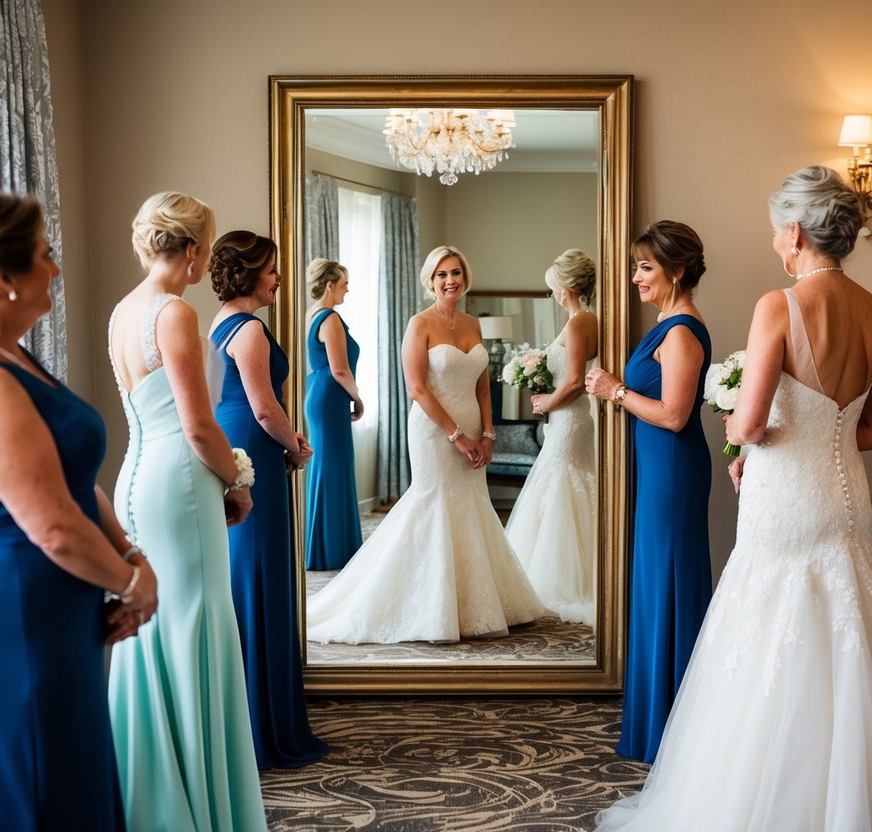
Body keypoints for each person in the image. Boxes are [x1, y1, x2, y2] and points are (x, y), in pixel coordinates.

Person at [594, 167, 872, 831]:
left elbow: (751, 424)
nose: (773, 240)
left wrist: (738, 430)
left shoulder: (778, 306)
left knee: (769, 636)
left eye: (774, 230)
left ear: (795, 233)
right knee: (850, 630)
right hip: (846, 496)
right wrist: (821, 435)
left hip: (785, 501)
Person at [0, 183, 158, 830]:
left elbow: (71, 484)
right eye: (45, 254)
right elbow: (52, 527)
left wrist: (129, 553)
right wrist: (133, 585)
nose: (56, 268)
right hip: (14, 621)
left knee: (66, 785)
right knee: (39, 796)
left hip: (50, 611)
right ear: (5, 279)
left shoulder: (3, 353)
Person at [106, 195, 267, 830]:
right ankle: (198, 803)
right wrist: (239, 482)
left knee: (154, 629)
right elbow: (199, 428)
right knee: (194, 624)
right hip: (180, 481)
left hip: (137, 477)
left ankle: (152, 797)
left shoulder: (123, 310)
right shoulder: (173, 312)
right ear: (195, 250)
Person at [305, 245, 544, 644]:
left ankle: (473, 604)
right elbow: (417, 388)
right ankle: (428, 605)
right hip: (434, 431)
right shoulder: (419, 323)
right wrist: (457, 434)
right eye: (441, 275)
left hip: (474, 429)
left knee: (471, 507)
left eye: (456, 273)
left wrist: (488, 434)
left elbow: (483, 386)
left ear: (465, 277)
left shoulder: (472, 324)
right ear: (430, 281)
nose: (451, 280)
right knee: (433, 505)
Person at [585, 222, 712, 763]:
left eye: (645, 267)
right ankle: (659, 719)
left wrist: (614, 390)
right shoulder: (666, 325)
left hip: (674, 471)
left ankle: (674, 725)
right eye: (637, 267)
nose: (636, 277)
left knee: (669, 584)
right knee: (658, 583)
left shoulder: (681, 331)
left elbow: (676, 415)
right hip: (660, 469)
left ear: (676, 271)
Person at [209, 231, 327, 770]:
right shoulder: (251, 328)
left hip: (237, 444)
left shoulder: (219, 323)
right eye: (273, 269)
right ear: (251, 272)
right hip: (254, 447)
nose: (279, 278)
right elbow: (263, 406)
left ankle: (247, 716)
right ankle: (264, 724)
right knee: (260, 575)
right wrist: (295, 446)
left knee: (246, 574)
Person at [504, 249, 599, 626]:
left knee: (561, 484)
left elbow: (574, 382)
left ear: (567, 287)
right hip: (570, 419)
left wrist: (545, 402)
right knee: (567, 485)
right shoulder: (589, 319)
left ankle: (561, 581)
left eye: (555, 287)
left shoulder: (578, 324)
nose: (555, 294)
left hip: (568, 419)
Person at [303, 257, 364, 571]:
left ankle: (324, 546)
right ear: (329, 285)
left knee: (327, 467)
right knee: (334, 467)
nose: (347, 289)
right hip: (330, 396)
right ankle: (332, 550)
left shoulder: (311, 314)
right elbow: (340, 370)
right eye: (344, 284)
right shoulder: (330, 319)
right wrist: (358, 398)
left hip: (318, 393)